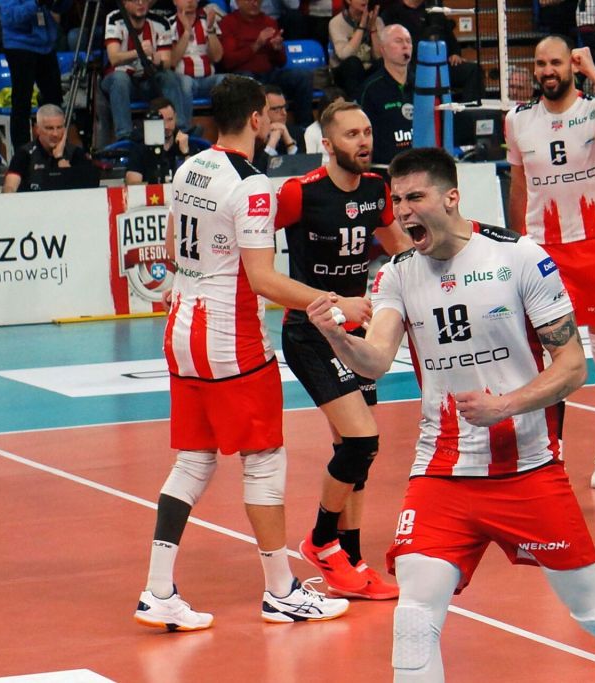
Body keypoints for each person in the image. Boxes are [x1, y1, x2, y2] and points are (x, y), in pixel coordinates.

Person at [305, 146, 595, 683]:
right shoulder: (398, 275)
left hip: (527, 470)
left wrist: (505, 405)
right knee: (414, 618)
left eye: (415, 197)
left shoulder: (519, 257)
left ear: (451, 198)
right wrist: (337, 337)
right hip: (441, 472)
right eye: (397, 200)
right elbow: (376, 361)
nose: (403, 211)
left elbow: (573, 366)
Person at [133, 74, 352, 631]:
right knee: (264, 459)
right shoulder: (252, 185)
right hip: (231, 339)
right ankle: (281, 591)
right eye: (270, 112)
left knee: (193, 460)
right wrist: (335, 301)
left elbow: (173, 248)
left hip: (182, 328)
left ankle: (158, 590)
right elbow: (262, 279)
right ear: (257, 118)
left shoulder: (188, 167)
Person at [274, 99, 411, 600]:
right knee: (361, 442)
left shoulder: (376, 189)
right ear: (328, 144)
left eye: (367, 131)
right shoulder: (300, 193)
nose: (364, 141)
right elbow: (251, 248)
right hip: (309, 332)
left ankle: (350, 559)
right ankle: (321, 541)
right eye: (352, 134)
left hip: (354, 334)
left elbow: (400, 249)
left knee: (354, 453)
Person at [506, 36, 595, 489]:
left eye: (556, 62)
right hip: (545, 250)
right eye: (540, 63)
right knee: (553, 356)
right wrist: (515, 244)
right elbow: (519, 185)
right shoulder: (518, 120)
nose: (548, 70)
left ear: (572, 65)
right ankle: (552, 452)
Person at [101, 0, 188, 142]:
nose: (141, 3)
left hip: (148, 81)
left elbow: (167, 62)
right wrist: (139, 52)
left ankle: (180, 130)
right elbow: (114, 58)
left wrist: (158, 61)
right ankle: (124, 138)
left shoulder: (161, 22)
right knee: (119, 79)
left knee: (168, 76)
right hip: (121, 82)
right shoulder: (114, 18)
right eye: (135, 0)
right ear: (125, 3)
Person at [219, 0, 315, 125]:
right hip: (243, 75)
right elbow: (229, 61)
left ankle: (304, 126)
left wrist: (277, 49)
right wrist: (257, 44)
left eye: (258, 0)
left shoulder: (269, 22)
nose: (255, 3)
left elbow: (281, 62)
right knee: (247, 81)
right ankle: (253, 127)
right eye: (249, 0)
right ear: (238, 2)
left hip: (269, 74)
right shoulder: (228, 22)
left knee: (303, 76)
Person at [0, 0, 72, 150]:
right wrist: (36, 2)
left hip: (46, 46)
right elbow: (10, 17)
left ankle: (55, 150)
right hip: (19, 46)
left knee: (54, 100)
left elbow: (61, 8)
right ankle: (23, 153)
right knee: (22, 102)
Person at [379, 0, 482, 103]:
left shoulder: (434, 11)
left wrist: (455, 53)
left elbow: (450, 39)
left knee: (473, 70)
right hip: (412, 67)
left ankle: (470, 110)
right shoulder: (391, 13)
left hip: (441, 66)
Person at [2, 104, 92, 192]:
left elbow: (86, 190)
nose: (55, 134)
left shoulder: (75, 153)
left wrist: (60, 159)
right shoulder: (24, 154)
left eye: (59, 127)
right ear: (37, 129)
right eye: (49, 128)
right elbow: (9, 188)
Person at [358, 24, 414, 166]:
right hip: (385, 166)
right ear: (383, 49)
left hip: (420, 163)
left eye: (408, 41)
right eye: (398, 41)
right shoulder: (371, 88)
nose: (405, 46)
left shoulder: (422, 84)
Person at [169, 0, 225, 125]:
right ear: (174, 1)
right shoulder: (169, 23)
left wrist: (210, 30)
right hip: (183, 80)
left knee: (225, 81)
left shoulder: (207, 21)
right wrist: (187, 32)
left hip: (207, 80)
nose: (190, 1)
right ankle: (184, 128)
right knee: (185, 83)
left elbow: (217, 57)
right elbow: (172, 61)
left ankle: (227, 128)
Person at [124, 97, 201, 185]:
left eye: (170, 119)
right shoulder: (140, 147)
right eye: (162, 121)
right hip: (152, 193)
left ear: (175, 117)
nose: (166, 126)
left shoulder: (186, 144)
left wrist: (186, 153)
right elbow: (133, 186)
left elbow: (197, 184)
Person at [328, 0, 384, 100]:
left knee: (384, 63)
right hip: (344, 71)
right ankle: (356, 104)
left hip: (368, 70)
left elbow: (379, 56)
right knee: (353, 63)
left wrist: (373, 29)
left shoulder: (377, 21)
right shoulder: (336, 23)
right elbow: (344, 55)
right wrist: (361, 26)